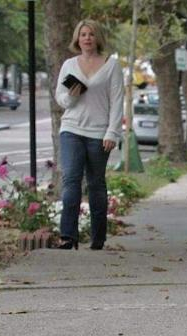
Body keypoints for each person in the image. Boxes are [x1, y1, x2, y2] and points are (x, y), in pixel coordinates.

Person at [55, 19, 124, 250]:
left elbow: (117, 101)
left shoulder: (111, 65)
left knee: (96, 184)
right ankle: (68, 236)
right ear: (77, 38)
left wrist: (112, 132)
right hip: (71, 129)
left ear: (98, 38)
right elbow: (61, 99)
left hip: (99, 133)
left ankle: (98, 237)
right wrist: (72, 96)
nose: (87, 38)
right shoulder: (69, 65)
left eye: (91, 34)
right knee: (71, 181)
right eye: (83, 34)